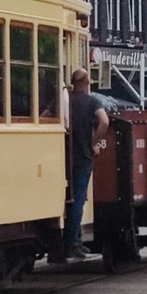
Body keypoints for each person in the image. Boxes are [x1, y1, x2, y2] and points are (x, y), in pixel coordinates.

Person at [63, 69, 110, 261]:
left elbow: (45, 114)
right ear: (87, 82)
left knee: (67, 199)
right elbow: (104, 122)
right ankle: (72, 243)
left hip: (63, 156)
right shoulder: (92, 102)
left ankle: (73, 238)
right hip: (83, 156)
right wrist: (94, 143)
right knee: (78, 200)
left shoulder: (65, 100)